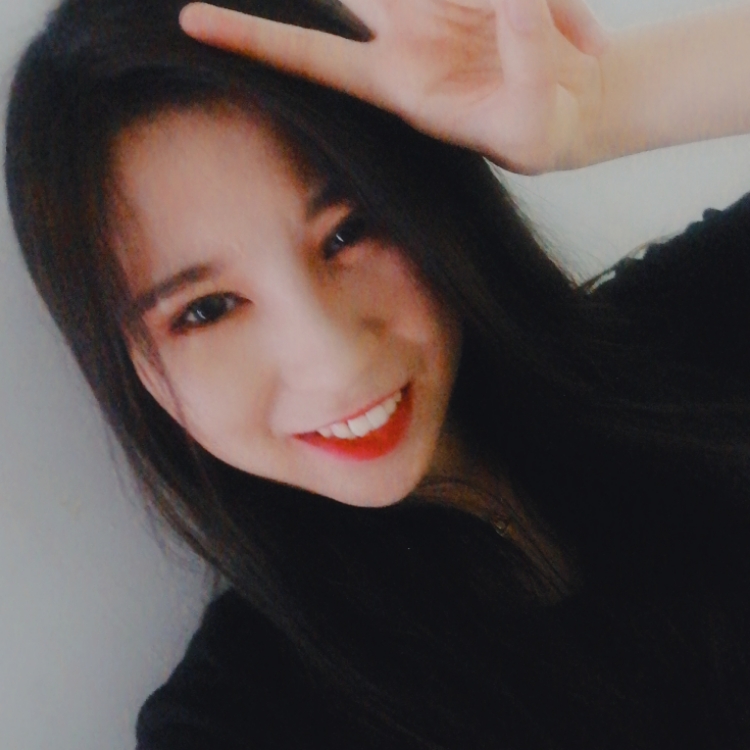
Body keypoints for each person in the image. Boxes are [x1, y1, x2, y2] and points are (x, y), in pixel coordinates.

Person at [5, 0, 750, 746]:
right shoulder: (239, 720)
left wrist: (605, 102)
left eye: (348, 232)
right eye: (206, 309)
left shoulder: (682, 339)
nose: (334, 359)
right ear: (124, 359)